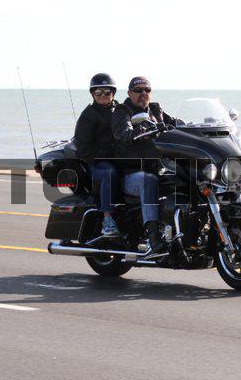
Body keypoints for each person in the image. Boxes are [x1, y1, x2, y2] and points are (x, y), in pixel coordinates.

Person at [112, 76, 177, 254]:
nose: (143, 93)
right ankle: (153, 236)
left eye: (147, 90)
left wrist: (197, 127)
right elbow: (122, 132)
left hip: (158, 169)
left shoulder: (155, 109)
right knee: (147, 181)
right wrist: (137, 131)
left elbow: (175, 123)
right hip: (130, 174)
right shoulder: (122, 111)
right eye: (138, 90)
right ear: (129, 93)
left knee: (187, 177)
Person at [74, 73, 120, 236]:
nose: (102, 95)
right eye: (98, 92)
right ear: (92, 94)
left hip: (121, 159)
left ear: (113, 93)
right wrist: (108, 154)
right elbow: (83, 148)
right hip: (97, 163)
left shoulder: (121, 109)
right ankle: (107, 219)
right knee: (109, 172)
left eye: (106, 92)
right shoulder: (88, 115)